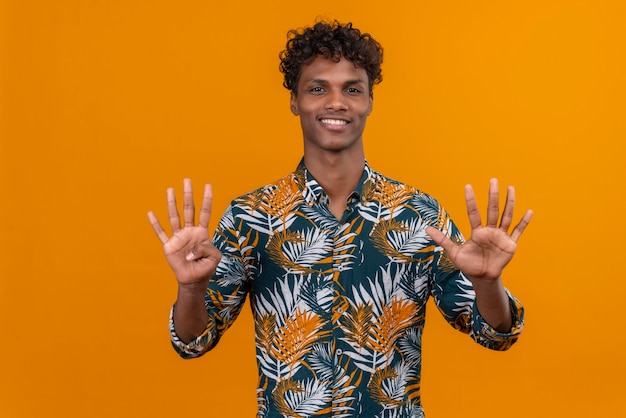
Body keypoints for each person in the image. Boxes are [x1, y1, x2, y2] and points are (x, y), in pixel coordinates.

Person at [147, 20, 533, 418]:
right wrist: (190, 288)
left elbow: (496, 335)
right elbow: (193, 341)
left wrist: (488, 284)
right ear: (295, 100)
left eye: (352, 89)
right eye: (318, 88)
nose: (336, 102)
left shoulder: (419, 215)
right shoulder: (252, 216)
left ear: (369, 101)